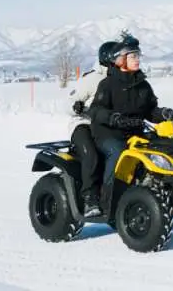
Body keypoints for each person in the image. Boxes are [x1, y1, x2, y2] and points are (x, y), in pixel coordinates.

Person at [87, 34, 173, 209]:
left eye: (138, 55)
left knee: (165, 147)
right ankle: (107, 199)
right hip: (108, 134)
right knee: (118, 152)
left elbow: (150, 111)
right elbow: (95, 110)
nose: (137, 59)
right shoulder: (107, 85)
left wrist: (164, 113)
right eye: (133, 56)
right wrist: (112, 117)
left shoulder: (143, 85)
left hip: (135, 132)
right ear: (120, 60)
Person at [66, 41, 115, 218]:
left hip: (110, 127)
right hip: (84, 124)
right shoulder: (92, 79)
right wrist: (76, 106)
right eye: (118, 57)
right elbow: (68, 101)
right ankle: (90, 199)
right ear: (109, 59)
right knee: (91, 153)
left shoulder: (121, 80)